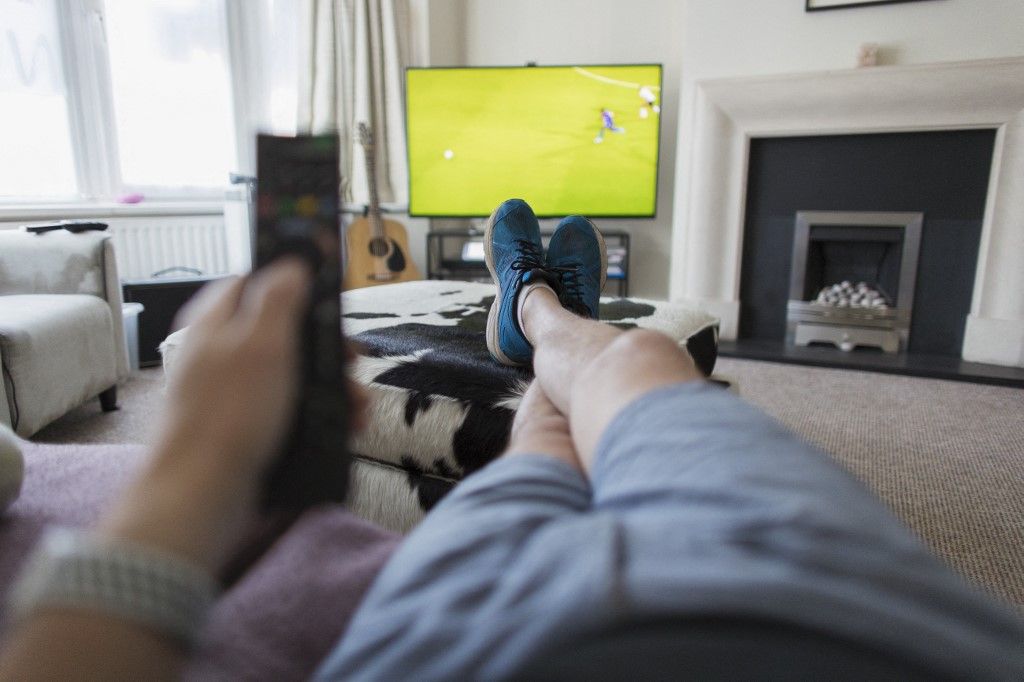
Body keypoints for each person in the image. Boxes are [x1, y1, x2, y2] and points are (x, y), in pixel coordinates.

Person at [3, 199, 1024, 680]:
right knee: (632, 367)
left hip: (449, 639)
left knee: (541, 448)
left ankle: (523, 309)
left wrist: (201, 457)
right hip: (807, 600)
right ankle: (543, 312)